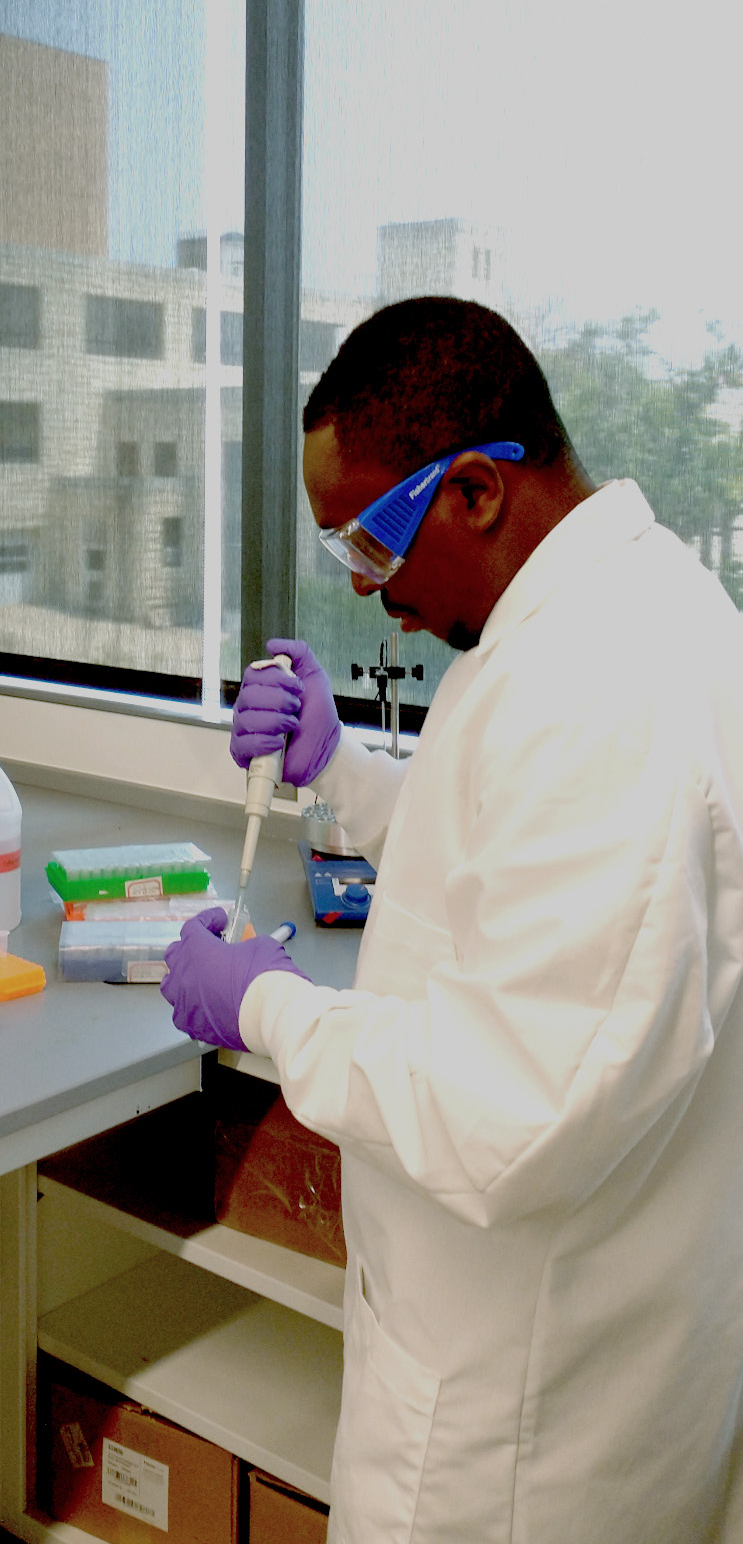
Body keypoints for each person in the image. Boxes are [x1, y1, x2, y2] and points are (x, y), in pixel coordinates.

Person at [160, 296, 743, 1543]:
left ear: (475, 486)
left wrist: (264, 1005)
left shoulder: (602, 691)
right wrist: (345, 775)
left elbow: (510, 1108)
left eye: (366, 546)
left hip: (514, 1439)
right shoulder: (603, 612)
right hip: (566, 1344)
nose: (369, 594)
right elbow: (508, 860)